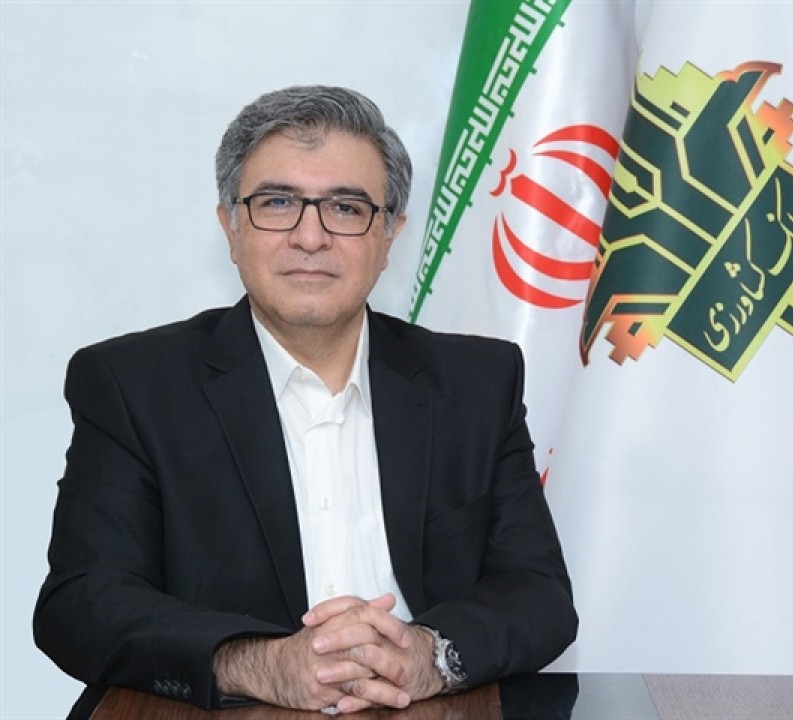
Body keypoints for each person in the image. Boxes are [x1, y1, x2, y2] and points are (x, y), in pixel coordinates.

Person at [33, 85, 578, 718]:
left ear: (390, 235)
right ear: (230, 226)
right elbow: (82, 602)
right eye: (277, 203)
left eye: (346, 207)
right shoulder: (131, 384)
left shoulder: (477, 382)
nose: (310, 236)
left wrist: (431, 656)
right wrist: (260, 665)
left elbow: (537, 594)